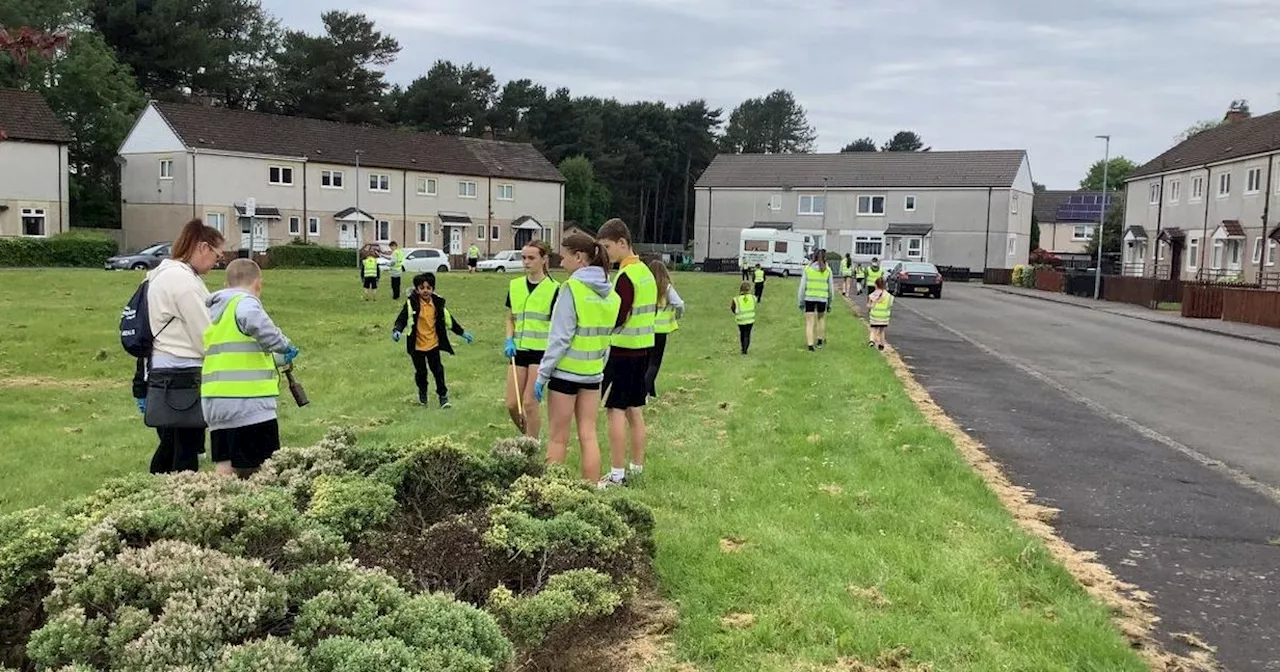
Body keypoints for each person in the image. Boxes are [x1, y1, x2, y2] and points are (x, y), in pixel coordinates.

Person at [533, 233, 620, 482]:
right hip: (592, 374)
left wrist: (542, 375)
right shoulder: (611, 295)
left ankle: (549, 494)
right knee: (589, 435)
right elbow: (606, 341)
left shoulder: (572, 289)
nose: (561, 263)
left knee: (558, 437)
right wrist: (598, 368)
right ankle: (589, 495)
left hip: (564, 375)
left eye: (564, 256)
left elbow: (560, 338)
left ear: (579, 257)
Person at [141, 218, 225, 474]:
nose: (216, 263)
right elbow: (205, 334)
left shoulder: (164, 274)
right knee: (185, 444)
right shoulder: (183, 282)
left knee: (170, 440)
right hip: (183, 372)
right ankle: (182, 493)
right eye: (217, 255)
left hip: (163, 367)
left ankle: (160, 490)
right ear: (202, 247)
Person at [201, 259, 298, 478]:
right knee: (264, 468)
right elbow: (254, 320)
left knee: (225, 466)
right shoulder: (245, 302)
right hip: (248, 402)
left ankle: (219, 505)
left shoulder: (216, 314)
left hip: (216, 401)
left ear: (226, 284)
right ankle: (260, 508)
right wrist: (283, 345)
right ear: (258, 284)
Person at [596, 218, 656, 488]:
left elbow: (618, 316)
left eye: (607, 247)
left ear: (622, 243)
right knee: (635, 409)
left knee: (614, 410)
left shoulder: (625, 276)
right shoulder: (646, 272)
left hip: (622, 352)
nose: (605, 253)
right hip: (643, 350)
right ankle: (637, 467)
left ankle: (617, 473)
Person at [392, 272, 475, 408]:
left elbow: (449, 321)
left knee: (438, 371)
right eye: (422, 288)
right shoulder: (411, 304)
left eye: (428, 288)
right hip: (417, 345)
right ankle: (423, 393)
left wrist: (462, 333)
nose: (425, 291)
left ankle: (443, 396)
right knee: (421, 372)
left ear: (433, 289)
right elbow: (401, 320)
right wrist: (397, 330)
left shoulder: (437, 304)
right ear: (417, 290)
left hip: (433, 344)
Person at [504, 240, 560, 438]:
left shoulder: (555, 289)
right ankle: (527, 436)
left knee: (529, 402)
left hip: (540, 352)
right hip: (518, 350)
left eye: (531, 258)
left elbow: (558, 325)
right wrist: (509, 339)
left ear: (544, 259)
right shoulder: (515, 285)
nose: (526, 262)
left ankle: (531, 445)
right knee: (512, 403)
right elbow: (511, 317)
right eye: (524, 258)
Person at [645, 260, 684, 398]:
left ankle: (651, 392)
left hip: (645, 328)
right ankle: (643, 392)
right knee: (655, 362)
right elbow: (679, 304)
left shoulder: (645, 286)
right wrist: (677, 315)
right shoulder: (666, 287)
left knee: (646, 362)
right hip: (660, 330)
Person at [796, 249, 835, 351]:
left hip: (809, 298)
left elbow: (802, 287)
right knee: (821, 319)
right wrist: (830, 302)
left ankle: (810, 345)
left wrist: (800, 301)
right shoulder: (827, 270)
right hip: (822, 298)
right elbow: (831, 289)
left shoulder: (808, 269)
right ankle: (820, 341)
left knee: (809, 322)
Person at [867, 276, 894, 351]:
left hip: (875, 315)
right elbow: (890, 305)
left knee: (873, 329)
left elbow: (869, 306)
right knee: (881, 331)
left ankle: (872, 340)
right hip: (884, 316)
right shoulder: (889, 296)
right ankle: (881, 344)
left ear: (876, 284)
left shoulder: (873, 295)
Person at [731, 280, 756, 355]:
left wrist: (737, 313)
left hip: (741, 319)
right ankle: (745, 349)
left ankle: (743, 348)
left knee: (742, 333)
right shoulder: (753, 298)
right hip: (750, 319)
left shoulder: (736, 299)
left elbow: (733, 308)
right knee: (747, 334)